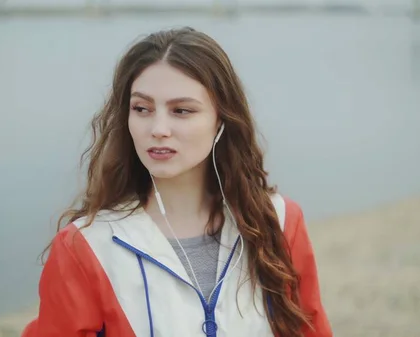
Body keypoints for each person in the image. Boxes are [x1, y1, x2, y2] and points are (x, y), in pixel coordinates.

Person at [22, 26, 332, 337]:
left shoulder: (278, 222)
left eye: (181, 110)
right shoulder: (87, 245)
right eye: (142, 109)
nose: (158, 128)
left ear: (221, 119)